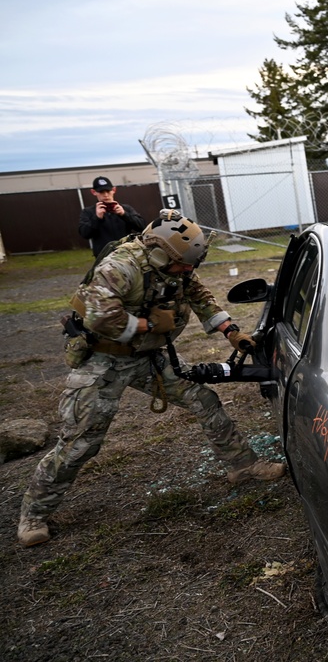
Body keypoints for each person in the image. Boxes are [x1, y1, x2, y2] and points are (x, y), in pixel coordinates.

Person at [17, 210, 285, 548]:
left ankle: (244, 467)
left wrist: (231, 331)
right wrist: (148, 325)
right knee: (80, 444)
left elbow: (198, 295)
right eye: (184, 265)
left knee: (203, 400)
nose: (189, 270)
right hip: (104, 360)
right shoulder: (119, 268)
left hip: (148, 356)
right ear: (160, 254)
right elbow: (100, 317)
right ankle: (34, 515)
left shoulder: (178, 264)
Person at [79, 176, 146, 259]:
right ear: (94, 192)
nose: (106, 195)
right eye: (101, 192)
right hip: (104, 257)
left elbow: (142, 227)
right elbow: (85, 234)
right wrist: (97, 218)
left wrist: (124, 215)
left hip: (128, 254)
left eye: (108, 191)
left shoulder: (125, 208)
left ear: (114, 190)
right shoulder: (88, 212)